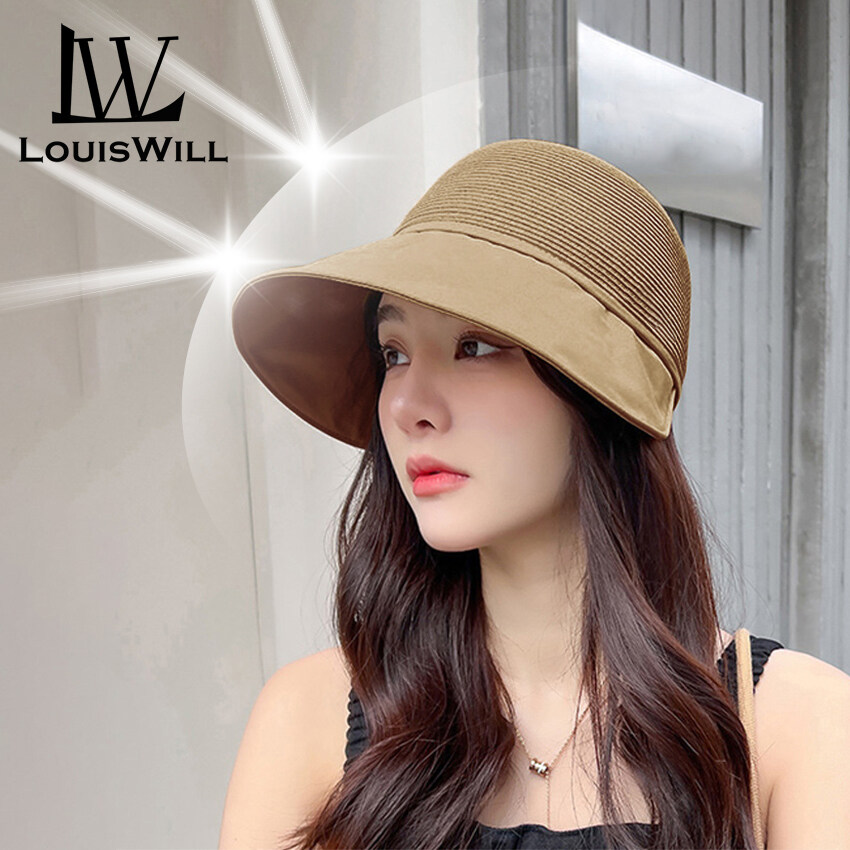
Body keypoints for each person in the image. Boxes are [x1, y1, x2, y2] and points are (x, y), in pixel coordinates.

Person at [218, 140, 850, 850]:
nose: (407, 406)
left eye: (475, 347)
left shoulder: (798, 727)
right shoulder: (306, 719)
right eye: (394, 353)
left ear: (600, 395)